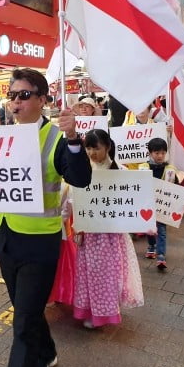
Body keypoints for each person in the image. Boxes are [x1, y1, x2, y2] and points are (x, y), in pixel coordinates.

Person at [0, 68, 92, 367]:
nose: (16, 102)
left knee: (23, 322)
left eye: (24, 95)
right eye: (12, 95)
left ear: (42, 99)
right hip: (4, 238)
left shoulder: (56, 139)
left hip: (39, 245)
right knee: (27, 310)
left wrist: (74, 138)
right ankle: (47, 351)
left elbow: (80, 178)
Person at [73, 129, 144, 328]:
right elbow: (76, 200)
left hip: (111, 234)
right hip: (89, 233)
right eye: (88, 148)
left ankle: (104, 312)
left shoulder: (120, 171)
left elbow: (131, 202)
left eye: (96, 148)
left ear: (108, 147)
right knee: (89, 273)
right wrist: (76, 225)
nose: (91, 153)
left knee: (108, 274)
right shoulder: (83, 170)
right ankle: (91, 310)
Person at [139, 138, 178, 270]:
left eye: (163, 153)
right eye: (157, 153)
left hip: (163, 206)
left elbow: (177, 188)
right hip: (147, 205)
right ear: (150, 153)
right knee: (149, 228)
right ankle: (151, 246)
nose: (160, 156)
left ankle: (161, 255)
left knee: (161, 230)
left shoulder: (170, 169)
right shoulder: (144, 168)